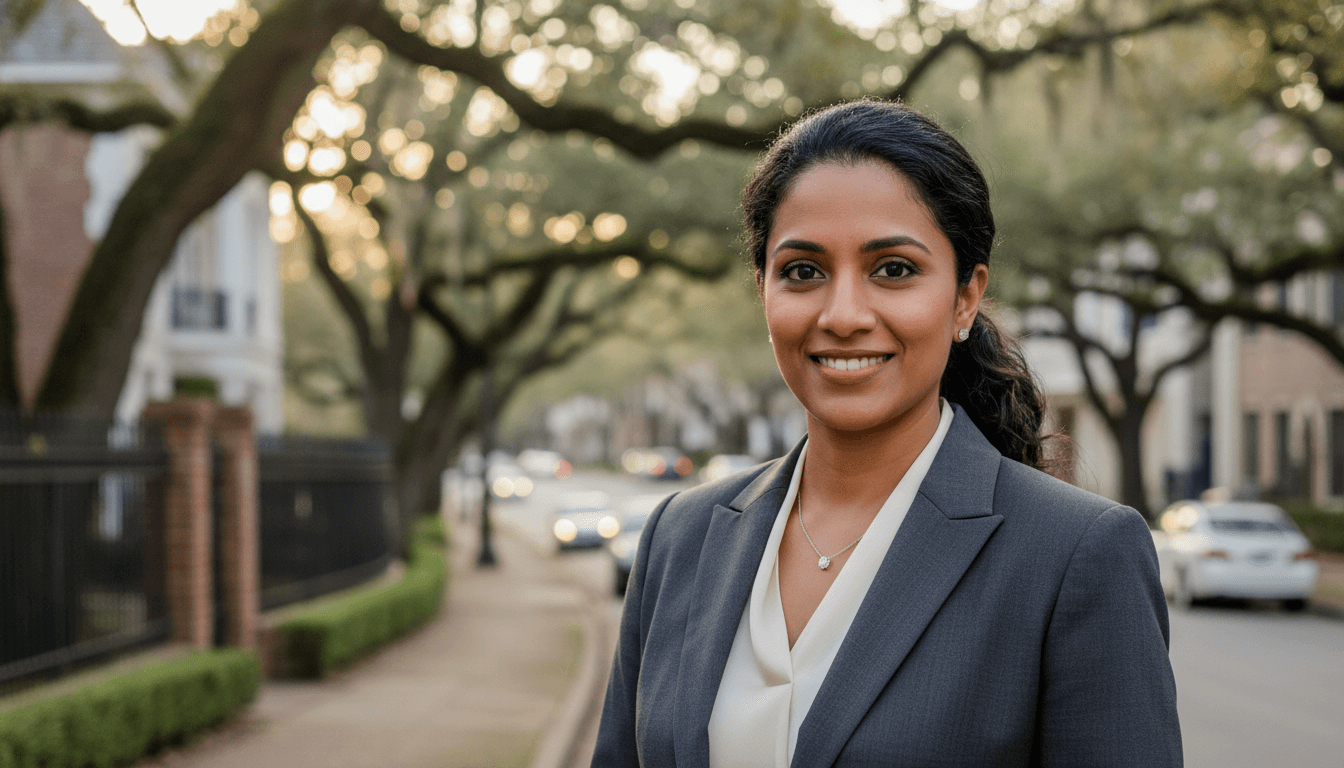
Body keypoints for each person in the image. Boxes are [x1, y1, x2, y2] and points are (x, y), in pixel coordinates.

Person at [591, 99, 1181, 767]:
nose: (843, 315)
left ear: (964, 298)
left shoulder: (1077, 555)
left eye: (893, 270)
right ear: (763, 291)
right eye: (803, 271)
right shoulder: (681, 537)